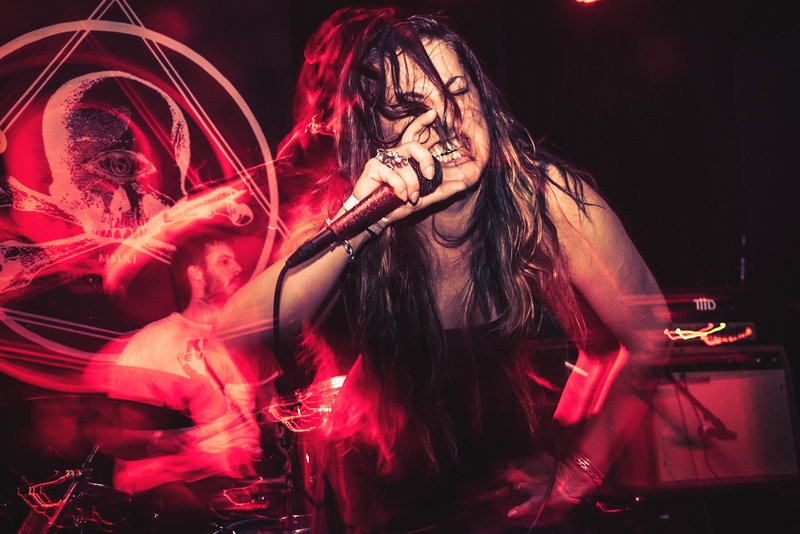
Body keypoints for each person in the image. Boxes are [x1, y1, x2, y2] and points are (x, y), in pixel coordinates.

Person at [216, 7, 670, 533]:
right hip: (380, 498)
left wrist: (576, 473)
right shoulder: (348, 215)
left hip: (499, 497)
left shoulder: (543, 200)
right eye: (411, 108)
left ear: (483, 100)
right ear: (378, 137)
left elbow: (647, 335)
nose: (445, 120)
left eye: (457, 92)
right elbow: (237, 333)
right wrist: (364, 220)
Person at [93, 229, 280, 531]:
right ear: (195, 273)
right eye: (224, 261)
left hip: (246, 494)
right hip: (185, 495)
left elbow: (275, 421)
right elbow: (115, 434)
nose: (238, 268)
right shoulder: (154, 340)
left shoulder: (250, 341)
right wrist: (171, 445)